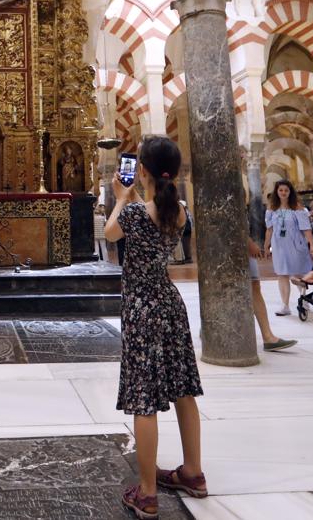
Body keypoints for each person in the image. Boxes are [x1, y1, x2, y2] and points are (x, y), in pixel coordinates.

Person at [104, 135, 204, 518]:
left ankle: (146, 493)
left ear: (140, 170)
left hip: (142, 307)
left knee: (143, 399)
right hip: (170, 303)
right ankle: (193, 473)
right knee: (183, 390)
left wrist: (121, 196)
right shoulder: (179, 212)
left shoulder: (133, 214)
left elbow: (112, 234)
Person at [246, 191, 297, 352]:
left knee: (255, 287)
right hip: (236, 249)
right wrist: (249, 243)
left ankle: (268, 337)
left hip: (245, 249)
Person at [265, 180, 313, 317]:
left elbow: (306, 228)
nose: (283, 193)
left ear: (290, 192)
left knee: (299, 274)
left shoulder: (297, 208)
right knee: (282, 274)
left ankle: (304, 298)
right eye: (280, 190)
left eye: (286, 190)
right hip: (279, 246)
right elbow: (269, 229)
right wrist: (266, 246)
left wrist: (312, 245)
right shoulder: (271, 209)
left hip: (296, 244)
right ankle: (285, 305)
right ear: (277, 192)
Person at [178, 199, 194, 265]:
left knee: (185, 244)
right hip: (188, 229)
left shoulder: (184, 213)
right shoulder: (187, 212)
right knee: (186, 243)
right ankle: (186, 257)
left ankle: (188, 258)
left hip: (186, 229)